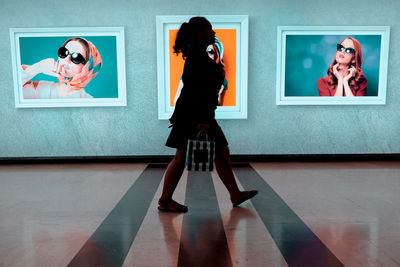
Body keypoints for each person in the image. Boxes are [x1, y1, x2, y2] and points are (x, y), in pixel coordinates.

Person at [158, 17, 257, 212]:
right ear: (200, 34)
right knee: (181, 157)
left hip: (200, 116)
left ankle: (235, 195)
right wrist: (201, 120)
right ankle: (165, 200)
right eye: (210, 29)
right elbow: (194, 92)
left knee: (221, 152)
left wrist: (181, 113)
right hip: (197, 118)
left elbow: (191, 90)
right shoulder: (197, 59)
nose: (213, 32)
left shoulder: (197, 57)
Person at [21, 37, 102, 99]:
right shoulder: (37, 88)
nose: (66, 59)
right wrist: (37, 67)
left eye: (76, 57)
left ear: (88, 68)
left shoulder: (89, 102)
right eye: (64, 52)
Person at [173, 37, 228, 106]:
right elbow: (175, 102)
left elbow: (219, 108)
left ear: (216, 56)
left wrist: (218, 96)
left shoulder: (222, 81)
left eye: (210, 51)